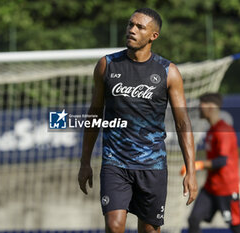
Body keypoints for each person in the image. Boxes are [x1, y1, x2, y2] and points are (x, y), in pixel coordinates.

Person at [77, 7, 198, 233]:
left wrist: (191, 171)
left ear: (153, 36)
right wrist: (85, 161)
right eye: (130, 24)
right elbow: (94, 114)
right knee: (114, 227)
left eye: (140, 27)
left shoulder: (168, 71)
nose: (132, 30)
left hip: (152, 166)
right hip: (115, 163)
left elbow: (183, 123)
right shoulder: (107, 65)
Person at [185, 93, 240, 233]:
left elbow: (221, 161)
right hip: (210, 188)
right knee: (193, 219)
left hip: (227, 189)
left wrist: (196, 165)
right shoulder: (211, 130)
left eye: (202, 104)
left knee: (237, 227)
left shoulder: (223, 130)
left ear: (211, 107)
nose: (199, 108)